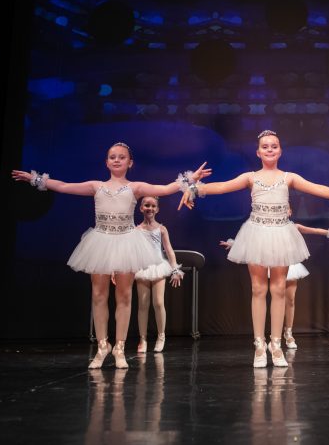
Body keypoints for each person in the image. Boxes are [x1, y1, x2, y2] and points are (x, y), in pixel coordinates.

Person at [11, 143, 210, 369]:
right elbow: (64, 186)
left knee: (124, 296)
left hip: (126, 242)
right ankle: (102, 345)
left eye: (121, 157)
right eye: (112, 157)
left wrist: (190, 178)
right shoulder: (96, 186)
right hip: (101, 242)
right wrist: (36, 179)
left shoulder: (135, 187)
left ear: (130, 163)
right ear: (106, 162)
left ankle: (119, 347)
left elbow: (164, 189)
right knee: (98, 295)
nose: (116, 160)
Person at [182, 129, 329, 368]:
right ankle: (259, 345)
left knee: (278, 289)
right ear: (258, 152)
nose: (270, 149)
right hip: (256, 233)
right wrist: (194, 188)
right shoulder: (250, 177)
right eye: (265, 146)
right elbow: (222, 186)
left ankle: (276, 345)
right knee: (258, 289)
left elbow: (317, 188)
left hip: (281, 233)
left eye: (274, 146)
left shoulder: (289, 177)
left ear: (280, 151)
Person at [220, 216, 329, 351]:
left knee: (290, 299)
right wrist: (234, 244)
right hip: (272, 264)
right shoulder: (265, 228)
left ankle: (288, 332)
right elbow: (254, 240)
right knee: (266, 293)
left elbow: (314, 230)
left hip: (289, 265)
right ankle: (269, 339)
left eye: (288, 208)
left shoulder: (293, 227)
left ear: (289, 211)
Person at [133, 195, 185, 354]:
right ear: (141, 208)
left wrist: (175, 269)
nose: (149, 208)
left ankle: (161, 336)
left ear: (157, 209)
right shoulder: (136, 230)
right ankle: (142, 339)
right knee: (143, 304)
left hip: (158, 266)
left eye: (153, 206)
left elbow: (169, 250)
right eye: (146, 205)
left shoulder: (161, 229)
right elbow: (132, 251)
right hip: (142, 268)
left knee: (158, 302)